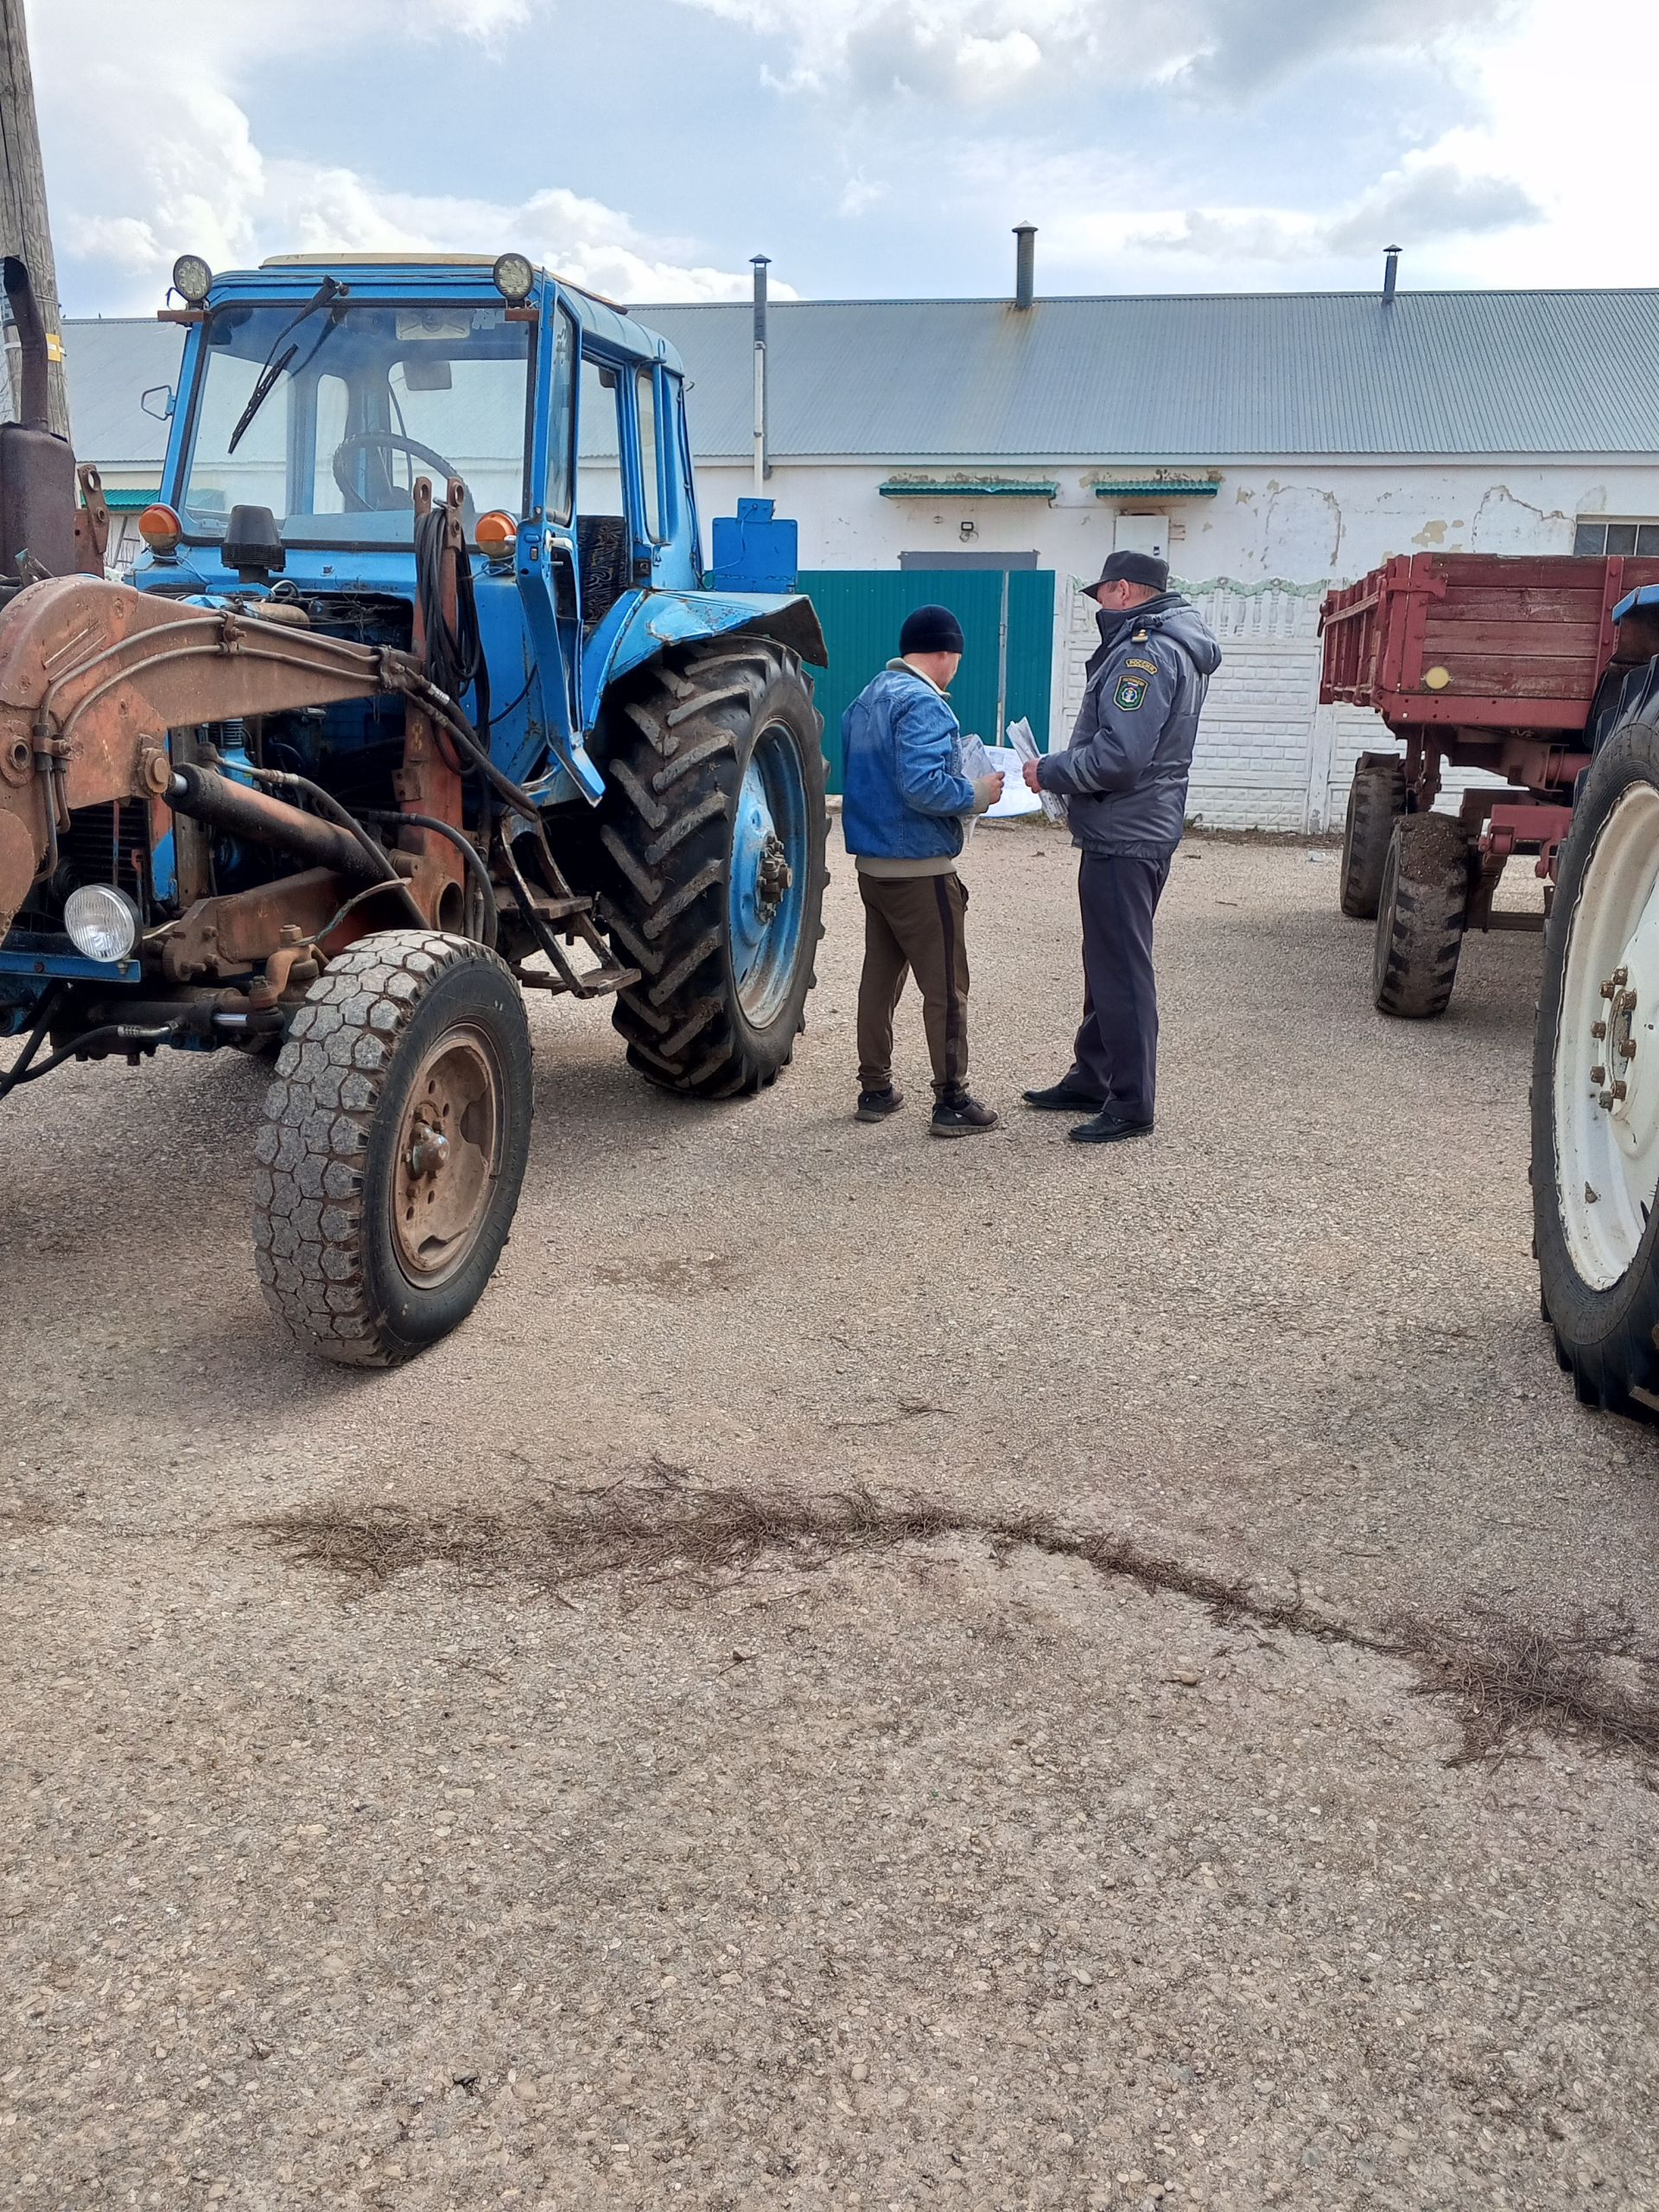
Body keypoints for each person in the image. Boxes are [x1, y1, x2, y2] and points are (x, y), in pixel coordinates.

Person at [1021, 550, 1222, 1144]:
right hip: (1134, 826)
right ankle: (1094, 1073)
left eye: (1103, 594)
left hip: (1127, 830)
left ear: (1127, 591)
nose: (1098, 606)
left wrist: (1049, 770)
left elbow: (1121, 757)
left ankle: (1132, 1101)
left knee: (1122, 968)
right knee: (1105, 960)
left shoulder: (1145, 654)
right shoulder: (1167, 644)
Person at [842, 603, 1005, 1137]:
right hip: (921, 870)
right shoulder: (925, 704)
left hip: (873, 868)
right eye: (956, 657)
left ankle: (875, 1089)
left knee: (879, 979)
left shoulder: (865, 700)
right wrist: (977, 794)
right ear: (944, 653)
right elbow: (923, 786)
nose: (956, 666)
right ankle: (952, 1101)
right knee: (946, 988)